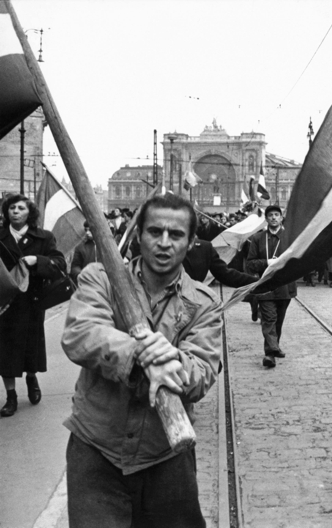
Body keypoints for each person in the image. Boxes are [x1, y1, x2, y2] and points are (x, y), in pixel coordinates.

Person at [60, 193, 221, 526]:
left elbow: (202, 372)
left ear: (191, 242)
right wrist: (139, 353)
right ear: (138, 235)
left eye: (175, 235)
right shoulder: (100, 279)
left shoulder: (204, 305)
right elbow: (81, 334)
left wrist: (175, 361)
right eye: (154, 232)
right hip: (96, 449)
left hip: (164, 453)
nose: (164, 243)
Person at [0, 195, 66, 417]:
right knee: (4, 352)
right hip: (4, 305)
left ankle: (31, 378)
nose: (15, 211)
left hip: (32, 303)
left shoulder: (44, 238)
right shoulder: (0, 237)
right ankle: (11, 397)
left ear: (30, 213)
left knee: (30, 348)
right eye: (12, 208)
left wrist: (37, 260)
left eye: (20, 208)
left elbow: (59, 265)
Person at [246, 204, 296, 369]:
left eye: (276, 215)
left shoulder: (290, 238)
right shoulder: (257, 239)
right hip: (265, 286)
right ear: (266, 219)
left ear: (281, 218)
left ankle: (275, 345)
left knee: (278, 321)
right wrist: (267, 262)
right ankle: (270, 353)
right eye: (270, 215)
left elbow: (298, 260)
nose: (274, 218)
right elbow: (250, 264)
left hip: (285, 286)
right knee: (269, 319)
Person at [182, 238, 258, 288]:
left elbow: (225, 274)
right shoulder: (170, 246)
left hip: (192, 301)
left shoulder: (204, 247)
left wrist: (259, 282)